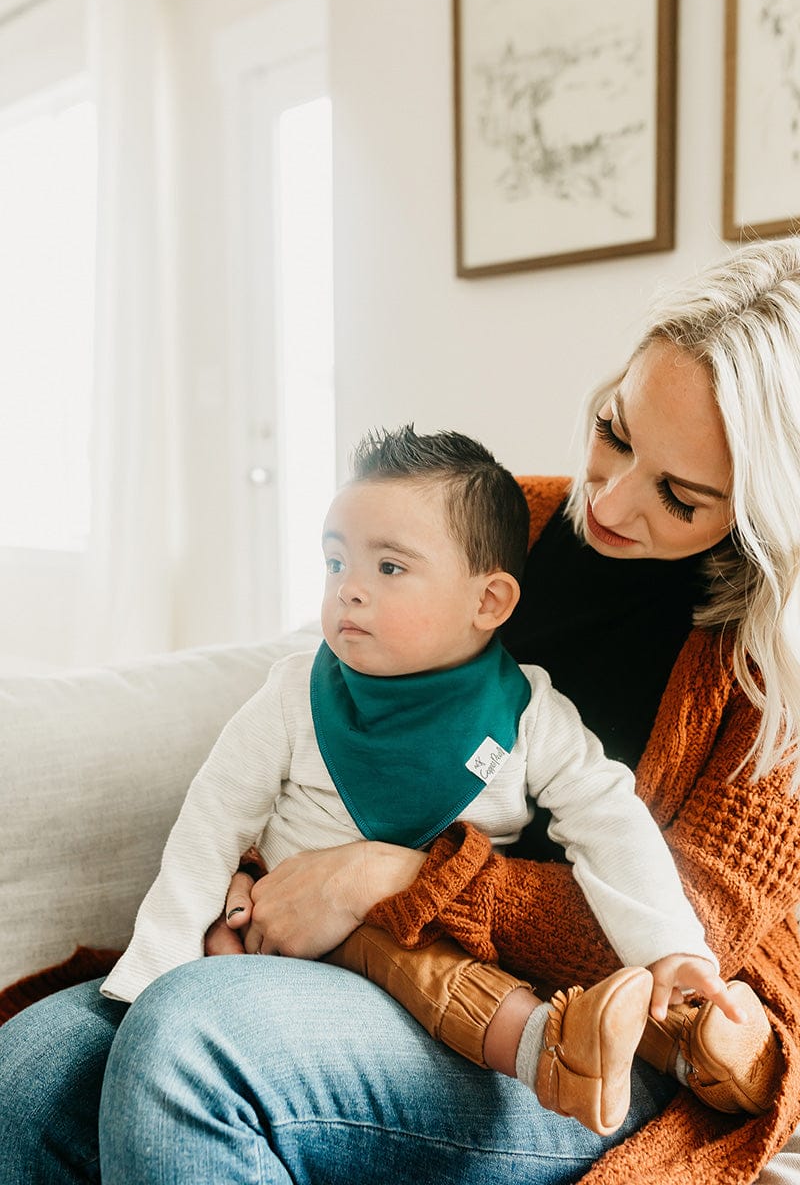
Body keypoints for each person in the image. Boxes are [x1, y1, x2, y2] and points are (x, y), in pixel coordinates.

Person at [2, 237, 800, 1184]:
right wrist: (265, 872)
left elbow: (692, 938)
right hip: (358, 965)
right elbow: (333, 708)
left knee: (190, 1041)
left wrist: (383, 877)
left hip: (584, 1038)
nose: (613, 502)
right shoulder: (504, 520)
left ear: (766, 506)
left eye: (679, 495)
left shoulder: (772, 671)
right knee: (30, 1075)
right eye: (614, 433)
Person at [101, 425, 741, 1137]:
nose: (349, 591)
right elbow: (212, 823)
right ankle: (554, 1048)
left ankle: (641, 1045)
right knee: (39, 1070)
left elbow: (608, 817)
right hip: (284, 935)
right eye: (335, 562)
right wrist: (159, 970)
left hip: (437, 947)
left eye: (389, 568)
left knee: (422, 958)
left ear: (489, 602)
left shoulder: (525, 714)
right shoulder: (294, 694)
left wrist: (670, 946)